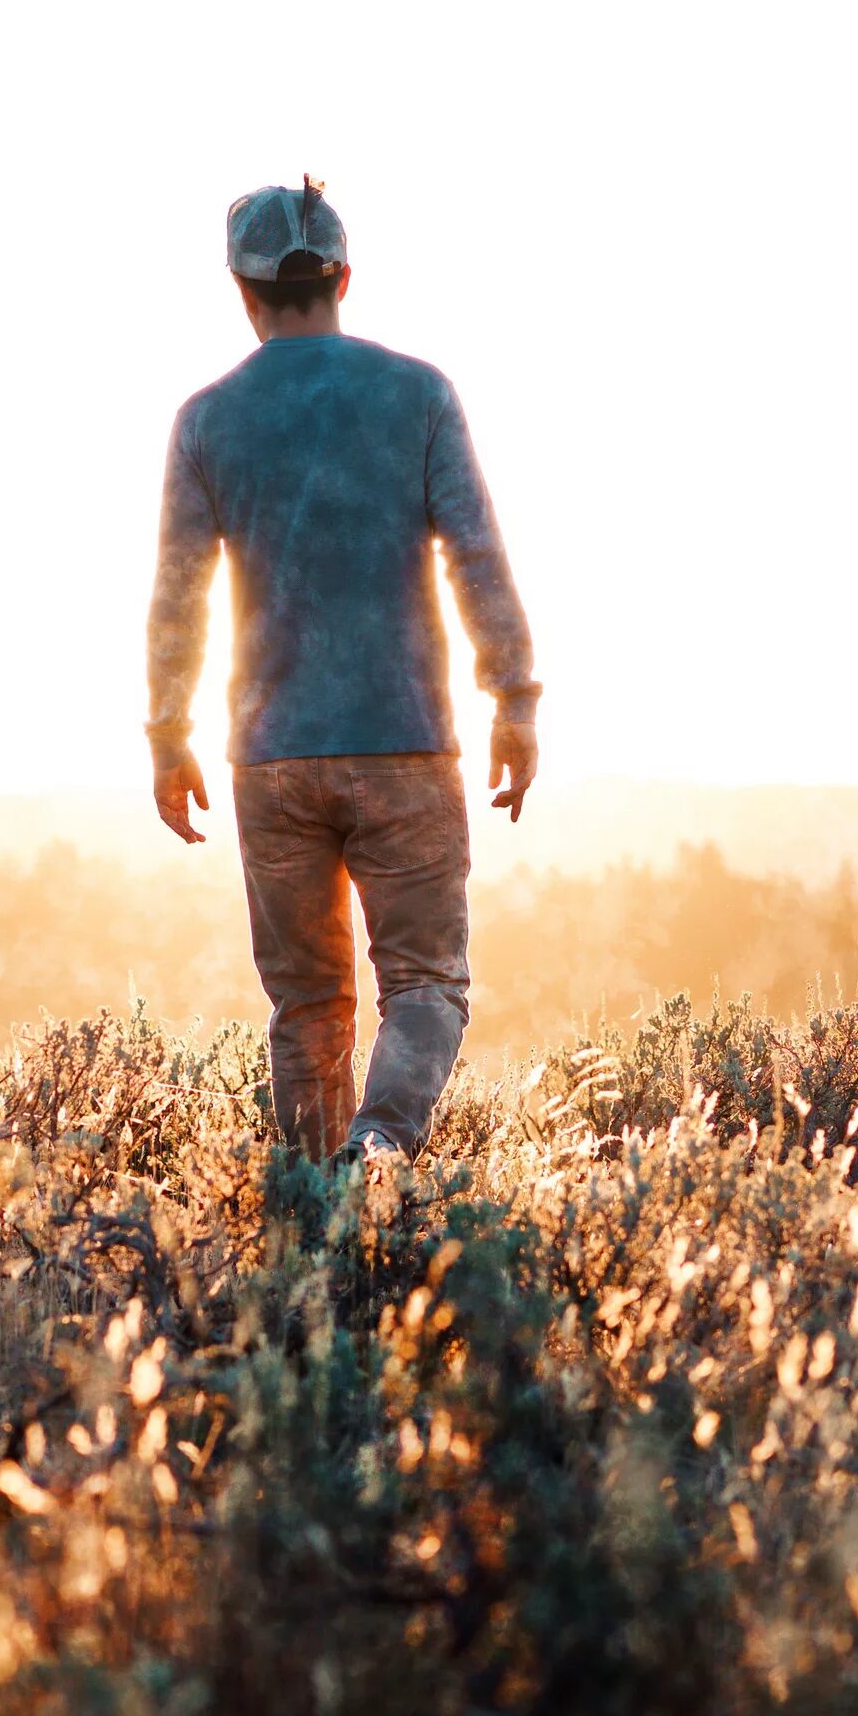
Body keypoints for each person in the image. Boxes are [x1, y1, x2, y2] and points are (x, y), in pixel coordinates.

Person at [144, 177, 540, 1167]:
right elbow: (477, 555)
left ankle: (318, 1227)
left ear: (242, 293)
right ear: (346, 278)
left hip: (271, 756)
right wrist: (515, 698)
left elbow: (180, 594)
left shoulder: (205, 420)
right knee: (425, 983)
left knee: (307, 1001)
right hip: (404, 740)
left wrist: (167, 733)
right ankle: (381, 1144)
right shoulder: (419, 395)